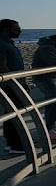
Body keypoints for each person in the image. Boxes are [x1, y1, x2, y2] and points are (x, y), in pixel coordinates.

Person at [0, 19, 29, 153]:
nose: (20, 31)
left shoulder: (8, 44)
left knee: (12, 114)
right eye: (16, 29)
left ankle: (12, 143)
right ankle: (15, 145)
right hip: (10, 85)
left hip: (16, 83)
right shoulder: (2, 45)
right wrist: (14, 83)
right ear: (6, 29)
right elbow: (2, 66)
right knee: (14, 115)